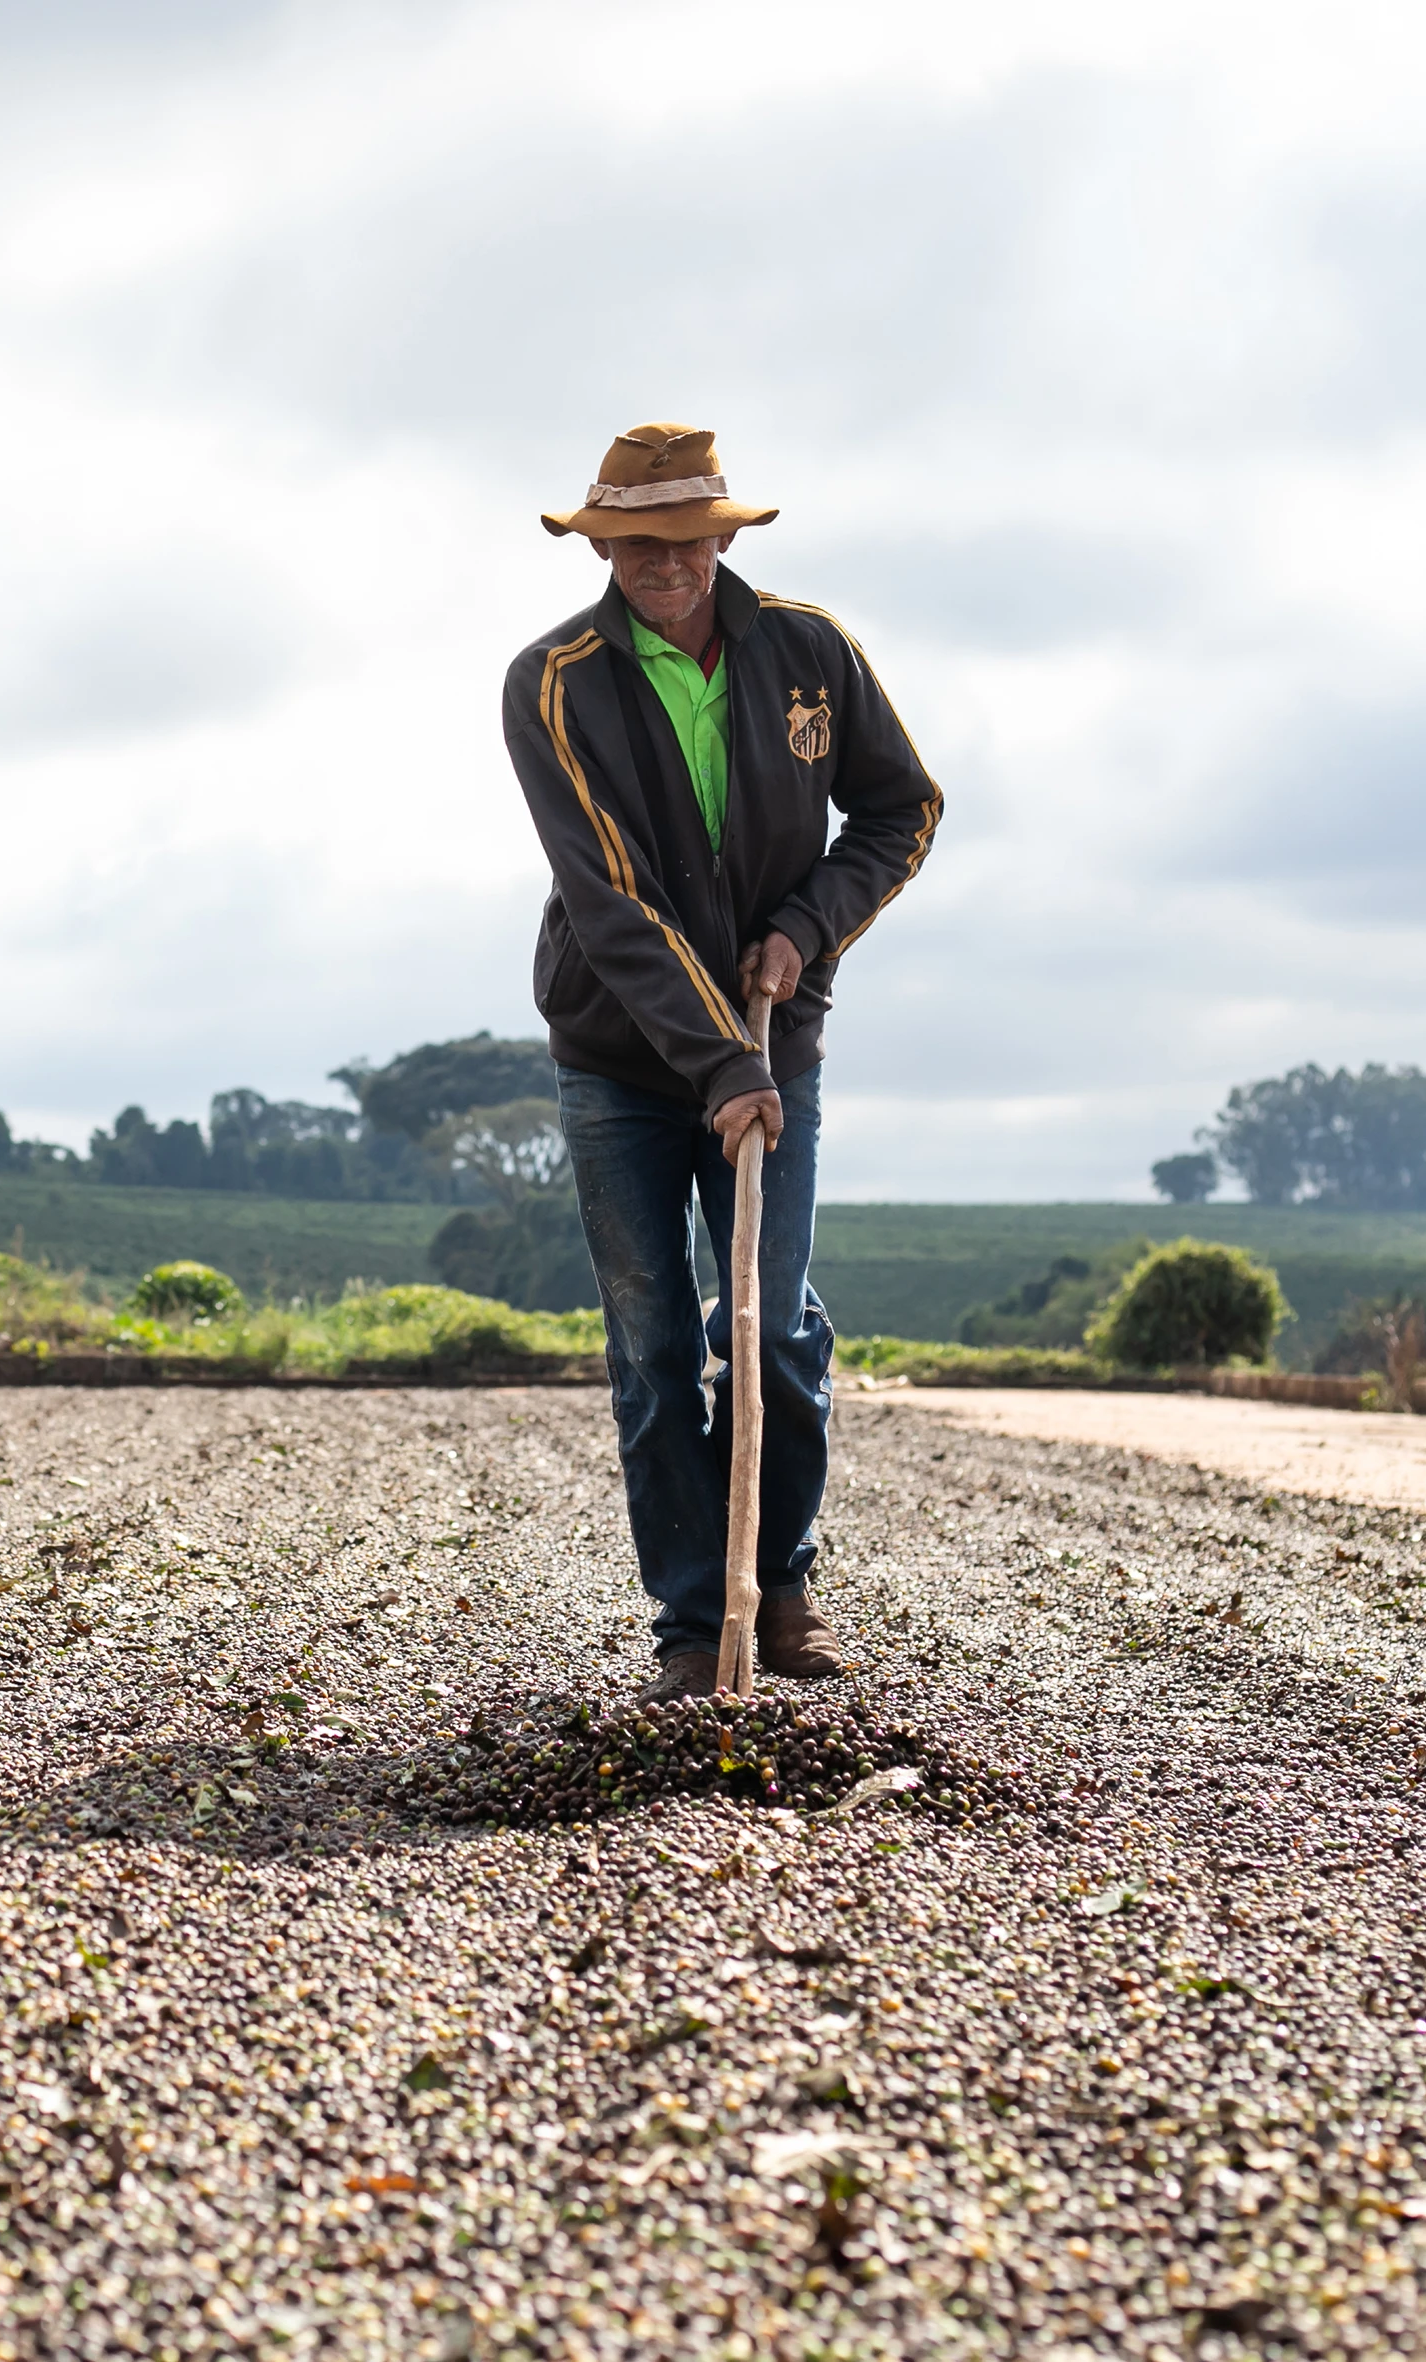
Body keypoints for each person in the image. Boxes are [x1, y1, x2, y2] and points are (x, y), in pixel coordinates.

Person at [500, 423, 944, 1701]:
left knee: (771, 1326)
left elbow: (900, 809)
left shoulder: (810, 654)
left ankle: (780, 1586)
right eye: (639, 544)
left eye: (689, 542)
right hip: (623, 1062)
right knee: (651, 1347)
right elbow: (611, 902)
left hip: (772, 1045)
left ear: (725, 538)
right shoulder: (555, 684)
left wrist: (806, 929)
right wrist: (713, 1065)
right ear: (603, 545)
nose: (668, 566)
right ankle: (697, 1628)